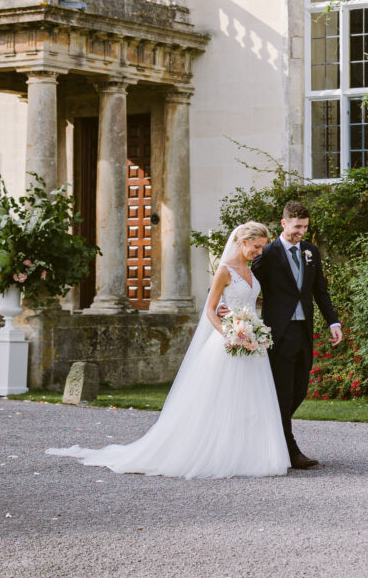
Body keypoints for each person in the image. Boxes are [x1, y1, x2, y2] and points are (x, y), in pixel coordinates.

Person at [46, 222, 290, 479]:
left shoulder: (251, 270)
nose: (260, 252)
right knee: (222, 399)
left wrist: (251, 327)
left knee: (252, 400)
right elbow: (210, 309)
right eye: (256, 247)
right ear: (243, 242)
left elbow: (248, 302)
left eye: (262, 247)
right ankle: (217, 453)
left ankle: (248, 456)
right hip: (230, 343)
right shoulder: (224, 271)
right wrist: (230, 333)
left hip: (251, 343)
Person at [247, 200, 342, 469]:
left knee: (300, 387)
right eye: (297, 226)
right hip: (278, 332)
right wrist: (227, 306)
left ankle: (269, 433)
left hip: (303, 330)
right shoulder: (268, 253)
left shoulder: (310, 251)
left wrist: (333, 322)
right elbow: (246, 282)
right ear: (284, 223)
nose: (301, 231)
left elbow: (319, 290)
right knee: (283, 391)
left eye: (305, 227)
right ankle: (289, 450)